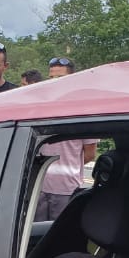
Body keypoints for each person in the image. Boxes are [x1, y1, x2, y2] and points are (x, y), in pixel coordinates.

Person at [35, 58, 96, 221]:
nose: (55, 83)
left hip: (67, 189)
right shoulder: (40, 110)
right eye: (51, 78)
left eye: (60, 78)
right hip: (39, 187)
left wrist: (66, 167)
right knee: (35, 236)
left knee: (60, 236)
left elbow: (90, 154)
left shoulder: (83, 112)